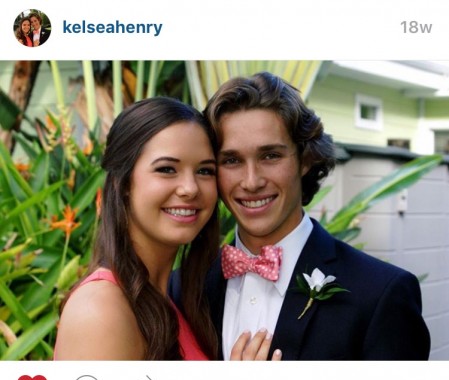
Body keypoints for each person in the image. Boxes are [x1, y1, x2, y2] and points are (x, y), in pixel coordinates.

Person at [171, 72, 431, 360]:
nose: (251, 181)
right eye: (231, 160)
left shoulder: (381, 293)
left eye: (270, 156)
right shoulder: (182, 288)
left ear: (305, 159)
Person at [55, 97, 281, 361]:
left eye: (205, 171)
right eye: (166, 169)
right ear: (123, 183)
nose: (190, 188)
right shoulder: (100, 309)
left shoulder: (177, 300)